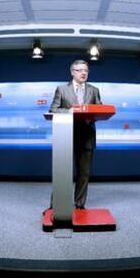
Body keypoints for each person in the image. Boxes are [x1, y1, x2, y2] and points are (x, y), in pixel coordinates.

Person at [48, 60, 102, 209]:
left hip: (87, 137)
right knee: (62, 174)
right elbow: (53, 110)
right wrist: (69, 111)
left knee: (84, 175)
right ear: (72, 72)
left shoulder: (94, 90)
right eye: (79, 70)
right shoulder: (61, 89)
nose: (83, 73)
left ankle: (79, 205)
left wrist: (95, 111)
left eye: (85, 70)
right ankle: (55, 206)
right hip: (66, 136)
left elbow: (99, 109)